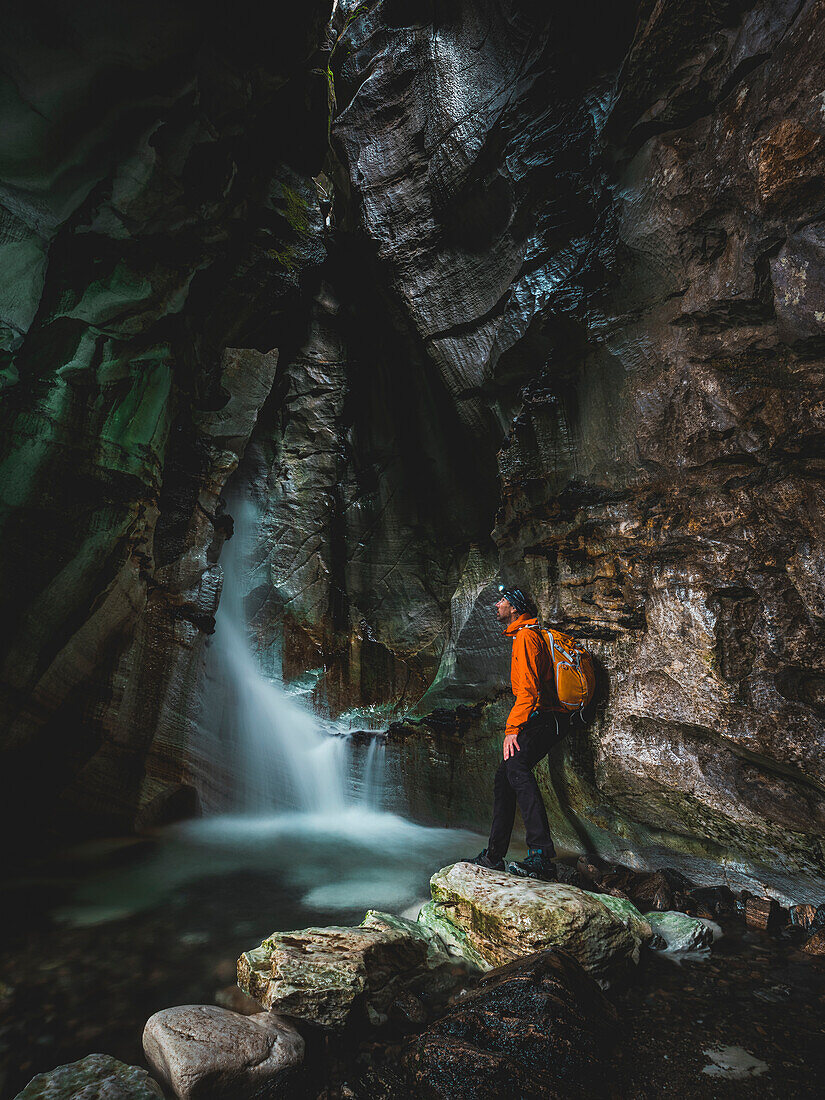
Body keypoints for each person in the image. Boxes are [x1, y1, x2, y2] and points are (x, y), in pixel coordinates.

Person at [463, 585, 568, 881]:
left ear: (516, 608)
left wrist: (512, 729)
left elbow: (530, 693)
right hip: (544, 718)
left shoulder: (525, 637)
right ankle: (494, 856)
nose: (497, 604)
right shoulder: (523, 636)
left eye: (503, 601)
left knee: (517, 767)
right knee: (505, 776)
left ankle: (541, 856)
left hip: (547, 718)